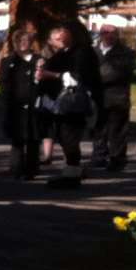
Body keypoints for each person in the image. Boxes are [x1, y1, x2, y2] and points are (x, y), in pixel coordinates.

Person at [36, 24, 101, 189]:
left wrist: (50, 74)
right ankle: (73, 170)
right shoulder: (65, 52)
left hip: (73, 103)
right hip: (64, 103)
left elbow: (77, 77)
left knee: (70, 137)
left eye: (60, 36)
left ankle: (72, 175)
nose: (56, 40)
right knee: (65, 137)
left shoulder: (81, 53)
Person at [92, 24, 136, 172]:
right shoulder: (93, 52)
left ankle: (117, 159)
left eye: (113, 33)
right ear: (100, 34)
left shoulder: (126, 53)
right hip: (97, 98)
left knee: (117, 131)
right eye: (105, 32)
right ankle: (99, 157)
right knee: (98, 128)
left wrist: (93, 78)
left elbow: (118, 73)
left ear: (117, 35)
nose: (109, 35)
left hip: (117, 98)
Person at [0, 30, 42, 180]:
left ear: (31, 42)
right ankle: (16, 169)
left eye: (26, 40)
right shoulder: (8, 60)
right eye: (19, 41)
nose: (23, 43)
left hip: (34, 105)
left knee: (33, 138)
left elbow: (45, 81)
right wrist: (7, 99)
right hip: (15, 106)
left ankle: (32, 169)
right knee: (17, 139)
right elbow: (2, 82)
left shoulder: (39, 60)